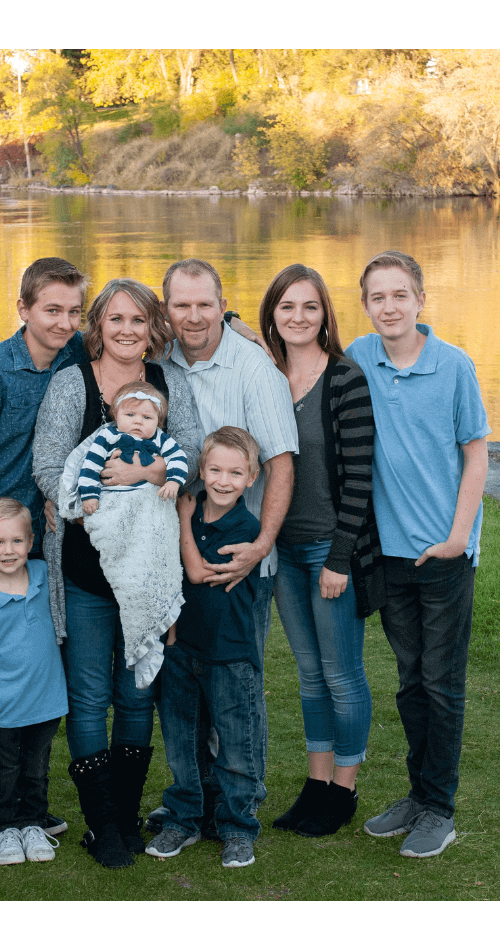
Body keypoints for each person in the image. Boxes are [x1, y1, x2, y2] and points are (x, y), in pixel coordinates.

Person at [33, 277, 200, 869]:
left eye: (138, 320)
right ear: (97, 324)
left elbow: (194, 460)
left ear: (153, 327)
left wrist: (143, 477)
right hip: (83, 568)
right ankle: (102, 822)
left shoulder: (168, 383)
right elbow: (49, 466)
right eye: (115, 319)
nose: (127, 331)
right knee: (88, 695)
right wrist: (86, 492)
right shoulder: (69, 386)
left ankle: (127, 817)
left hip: (148, 571)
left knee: (136, 695)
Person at [145, 258, 298, 838]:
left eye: (204, 304)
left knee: (235, 687)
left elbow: (281, 463)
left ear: (221, 303)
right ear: (167, 309)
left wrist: (261, 544)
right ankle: (196, 798)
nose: (193, 316)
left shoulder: (253, 367)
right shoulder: (159, 365)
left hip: (240, 558)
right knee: (184, 687)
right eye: (180, 305)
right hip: (177, 553)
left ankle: (241, 803)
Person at [347, 250, 490, 859]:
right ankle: (417, 794)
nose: (390, 306)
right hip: (390, 554)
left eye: (400, 294)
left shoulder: (454, 365)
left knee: (442, 682)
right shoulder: (359, 358)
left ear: (420, 299)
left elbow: (477, 454)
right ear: (366, 305)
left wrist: (458, 537)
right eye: (378, 297)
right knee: (409, 680)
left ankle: (441, 808)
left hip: (444, 553)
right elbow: (291, 348)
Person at [0, 256, 88, 839]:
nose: (63, 322)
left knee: (40, 657)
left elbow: (138, 326)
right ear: (24, 309)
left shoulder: (74, 355)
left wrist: (237, 320)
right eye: (51, 310)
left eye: (72, 311)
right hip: (4, 537)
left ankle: (28, 803)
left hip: (53, 538)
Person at [258, 264, 383, 837]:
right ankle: (314, 783)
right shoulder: (265, 373)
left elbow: (360, 478)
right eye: (287, 307)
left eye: (309, 307)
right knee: (308, 674)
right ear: (273, 315)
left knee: (341, 672)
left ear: (325, 314)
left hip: (332, 551)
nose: (298, 317)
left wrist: (338, 559)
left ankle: (343, 790)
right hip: (282, 549)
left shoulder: (345, 378)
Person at [146, 427, 264, 869]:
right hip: (183, 648)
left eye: (235, 472)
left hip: (230, 655)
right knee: (182, 741)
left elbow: (196, 573)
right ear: (201, 469)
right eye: (214, 469)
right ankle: (184, 817)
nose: (222, 480)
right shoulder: (193, 515)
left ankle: (237, 828)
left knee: (236, 745)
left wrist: (180, 518)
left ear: (251, 478)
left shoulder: (245, 528)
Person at [61, 381, 188, 688]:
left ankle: (146, 630)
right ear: (116, 415)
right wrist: (89, 496)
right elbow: (88, 468)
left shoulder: (161, 440)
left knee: (151, 546)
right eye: (131, 415)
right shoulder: (106, 436)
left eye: (147, 418)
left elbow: (180, 460)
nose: (138, 422)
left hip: (147, 505)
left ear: (158, 421)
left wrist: (172, 480)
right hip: (111, 503)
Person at [0, 498, 68, 866]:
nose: (8, 551)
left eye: (17, 541)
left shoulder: (43, 575)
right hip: (4, 704)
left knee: (36, 767)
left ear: (31, 540)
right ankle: (5, 827)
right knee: (4, 768)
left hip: (46, 699)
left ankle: (34, 823)